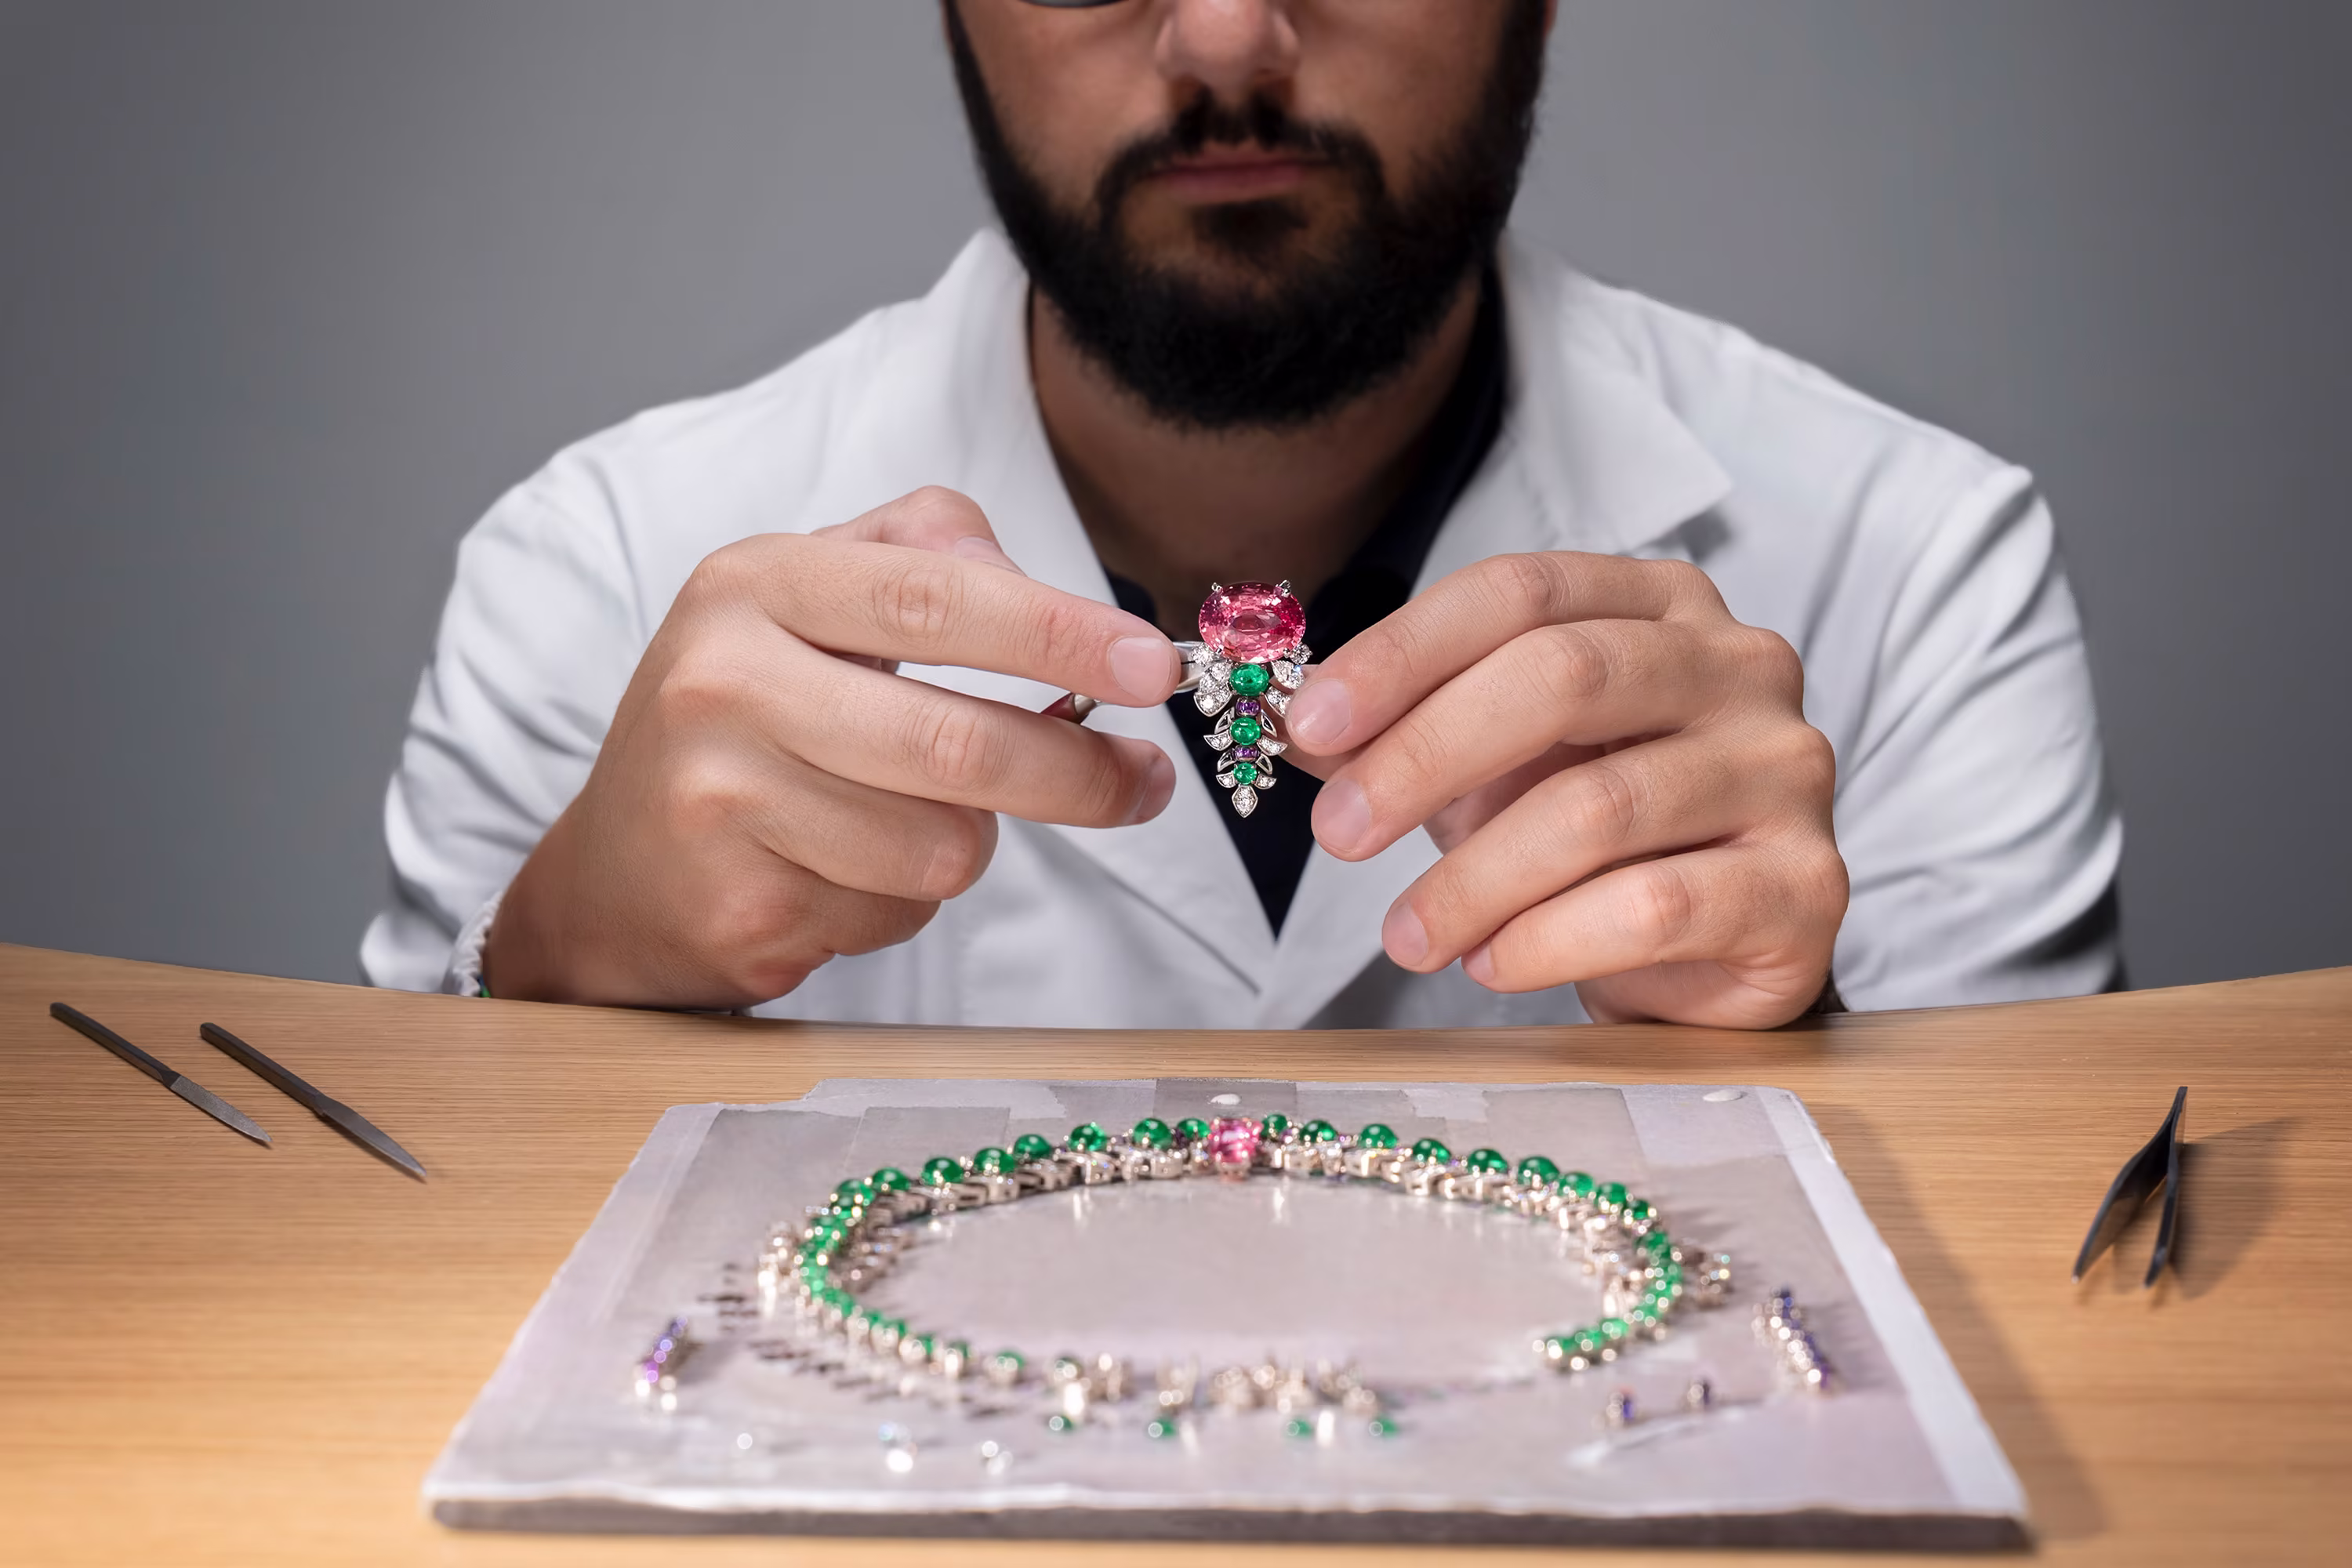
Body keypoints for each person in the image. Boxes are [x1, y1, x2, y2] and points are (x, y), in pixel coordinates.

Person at [361, 0, 2121, 1031]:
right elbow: (396, 1319)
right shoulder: (594, 570)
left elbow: (2057, 1343)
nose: (1221, 35)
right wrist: (555, 978)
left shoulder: (1918, 565)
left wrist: (1804, 1034)